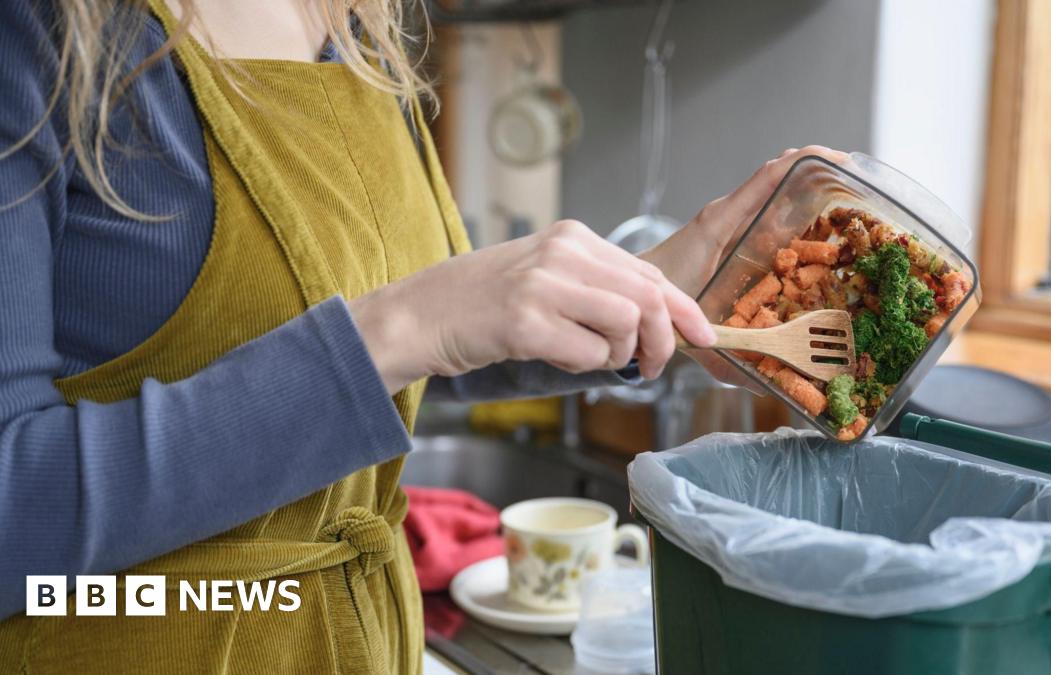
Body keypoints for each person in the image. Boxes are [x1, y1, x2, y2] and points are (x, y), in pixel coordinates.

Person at [0, 0, 843, 672]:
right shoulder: (38, 32)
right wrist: (407, 324)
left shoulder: (359, 25)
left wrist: (645, 288)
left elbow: (432, 350)